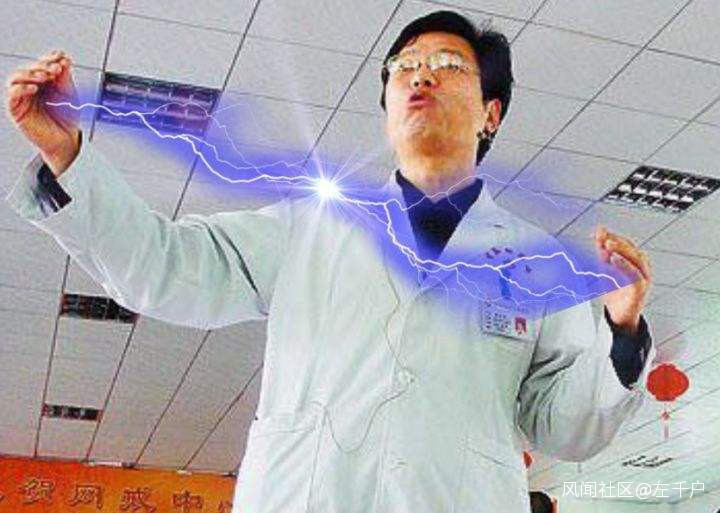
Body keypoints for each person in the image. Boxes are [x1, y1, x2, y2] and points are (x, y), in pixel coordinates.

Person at [4, 10, 654, 513]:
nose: (420, 75)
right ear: (388, 106)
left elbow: (566, 428)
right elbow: (166, 268)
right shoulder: (308, 228)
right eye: (404, 65)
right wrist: (68, 156)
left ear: (491, 112)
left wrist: (622, 335)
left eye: (448, 64)